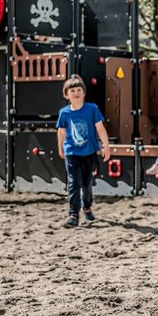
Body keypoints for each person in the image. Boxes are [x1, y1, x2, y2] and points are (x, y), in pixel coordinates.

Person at [57, 75, 111, 228]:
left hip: (89, 152)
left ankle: (87, 207)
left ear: (84, 93)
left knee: (87, 183)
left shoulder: (92, 109)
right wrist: (60, 148)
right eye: (72, 90)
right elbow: (61, 132)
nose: (76, 93)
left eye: (79, 90)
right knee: (74, 183)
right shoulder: (64, 113)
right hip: (72, 153)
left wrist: (106, 146)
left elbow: (100, 128)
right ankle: (73, 214)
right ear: (66, 94)